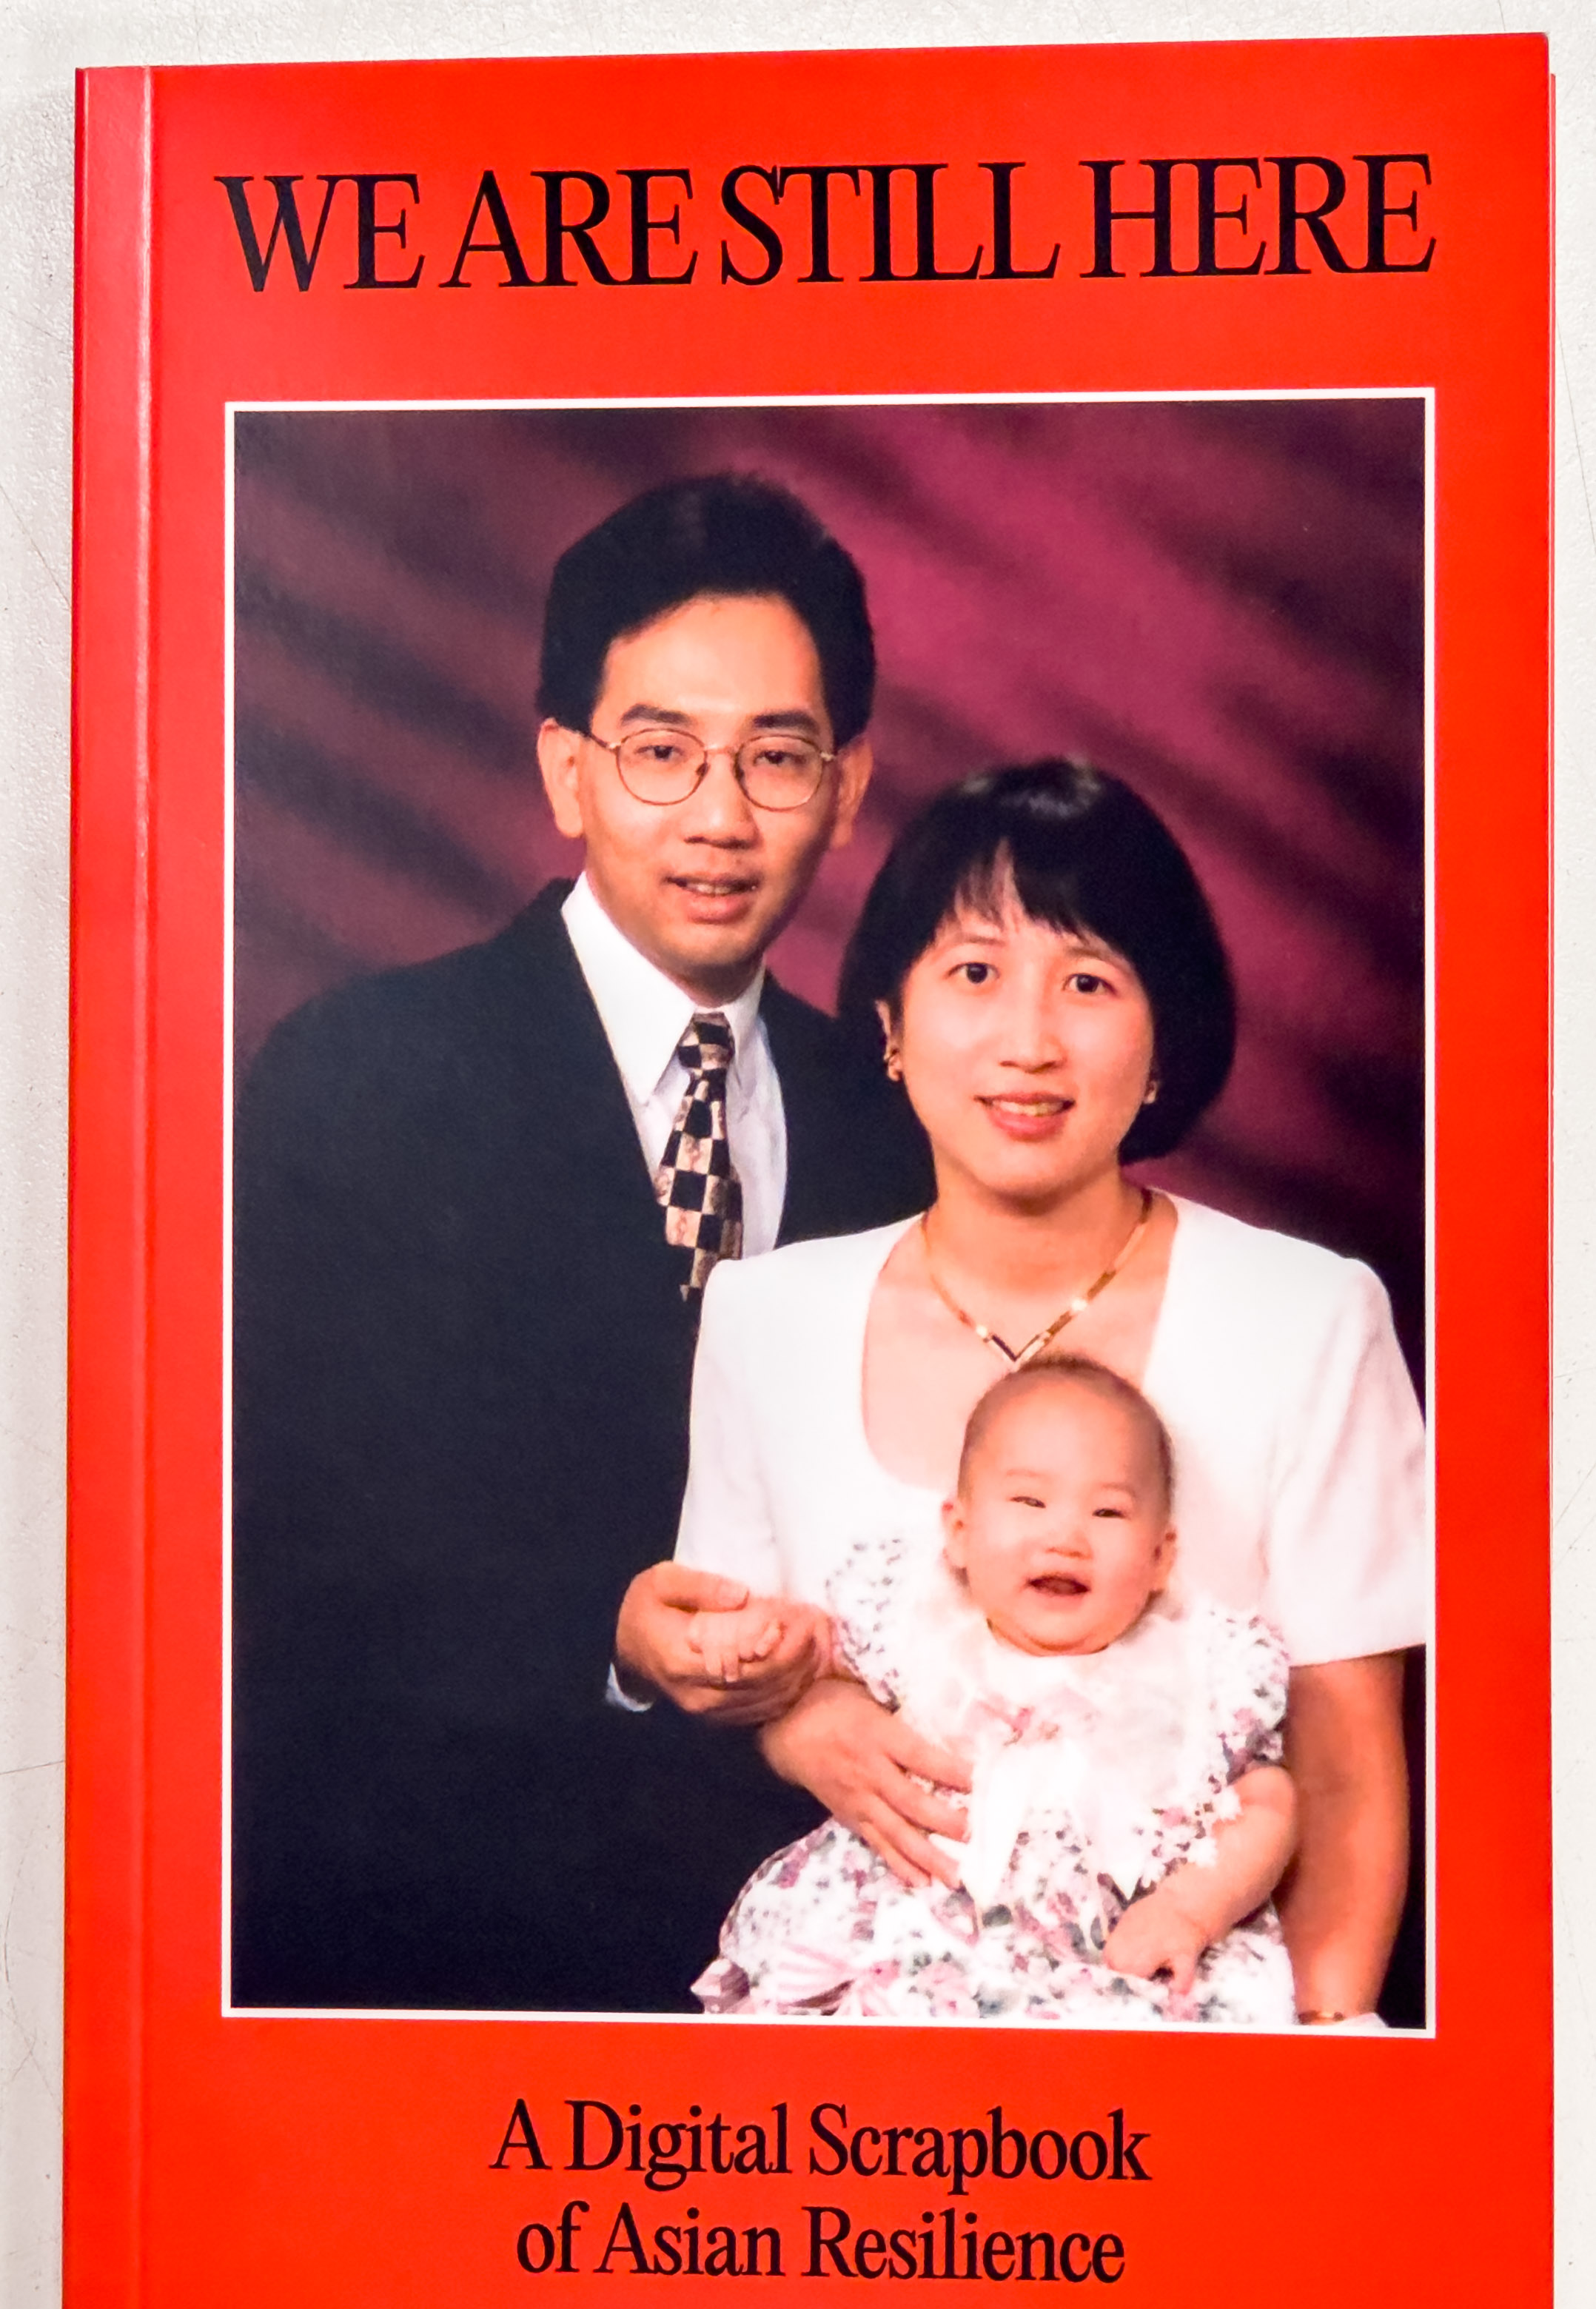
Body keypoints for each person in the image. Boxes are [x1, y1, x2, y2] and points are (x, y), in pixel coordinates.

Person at [229, 474, 933, 2014]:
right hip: (428, 1935)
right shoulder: (357, 1074)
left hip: (806, 1959)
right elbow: (282, 1540)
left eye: (777, 756)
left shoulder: (894, 1126)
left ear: (848, 784)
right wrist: (601, 1629)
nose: (720, 815)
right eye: (662, 751)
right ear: (566, 770)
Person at [620, 760, 1428, 2026]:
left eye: (1090, 981)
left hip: (1195, 2038)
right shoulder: (765, 1315)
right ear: (889, 1022)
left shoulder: (1311, 1317)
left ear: (1165, 1036)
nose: (1030, 1041)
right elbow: (734, 1672)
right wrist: (787, 1714)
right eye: (975, 972)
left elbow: (1345, 1767)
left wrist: (1314, 2090)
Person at [691, 1355, 1299, 2026]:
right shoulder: (917, 1622)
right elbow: (809, 1652)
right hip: (911, 1925)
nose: (1066, 1537)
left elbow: (1267, 1800)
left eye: (1107, 1511)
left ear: (1160, 1556)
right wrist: (750, 1634)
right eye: (1029, 1502)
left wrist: (1190, 1907)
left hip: (1106, 1958)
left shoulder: (1195, 1670)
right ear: (959, 1532)